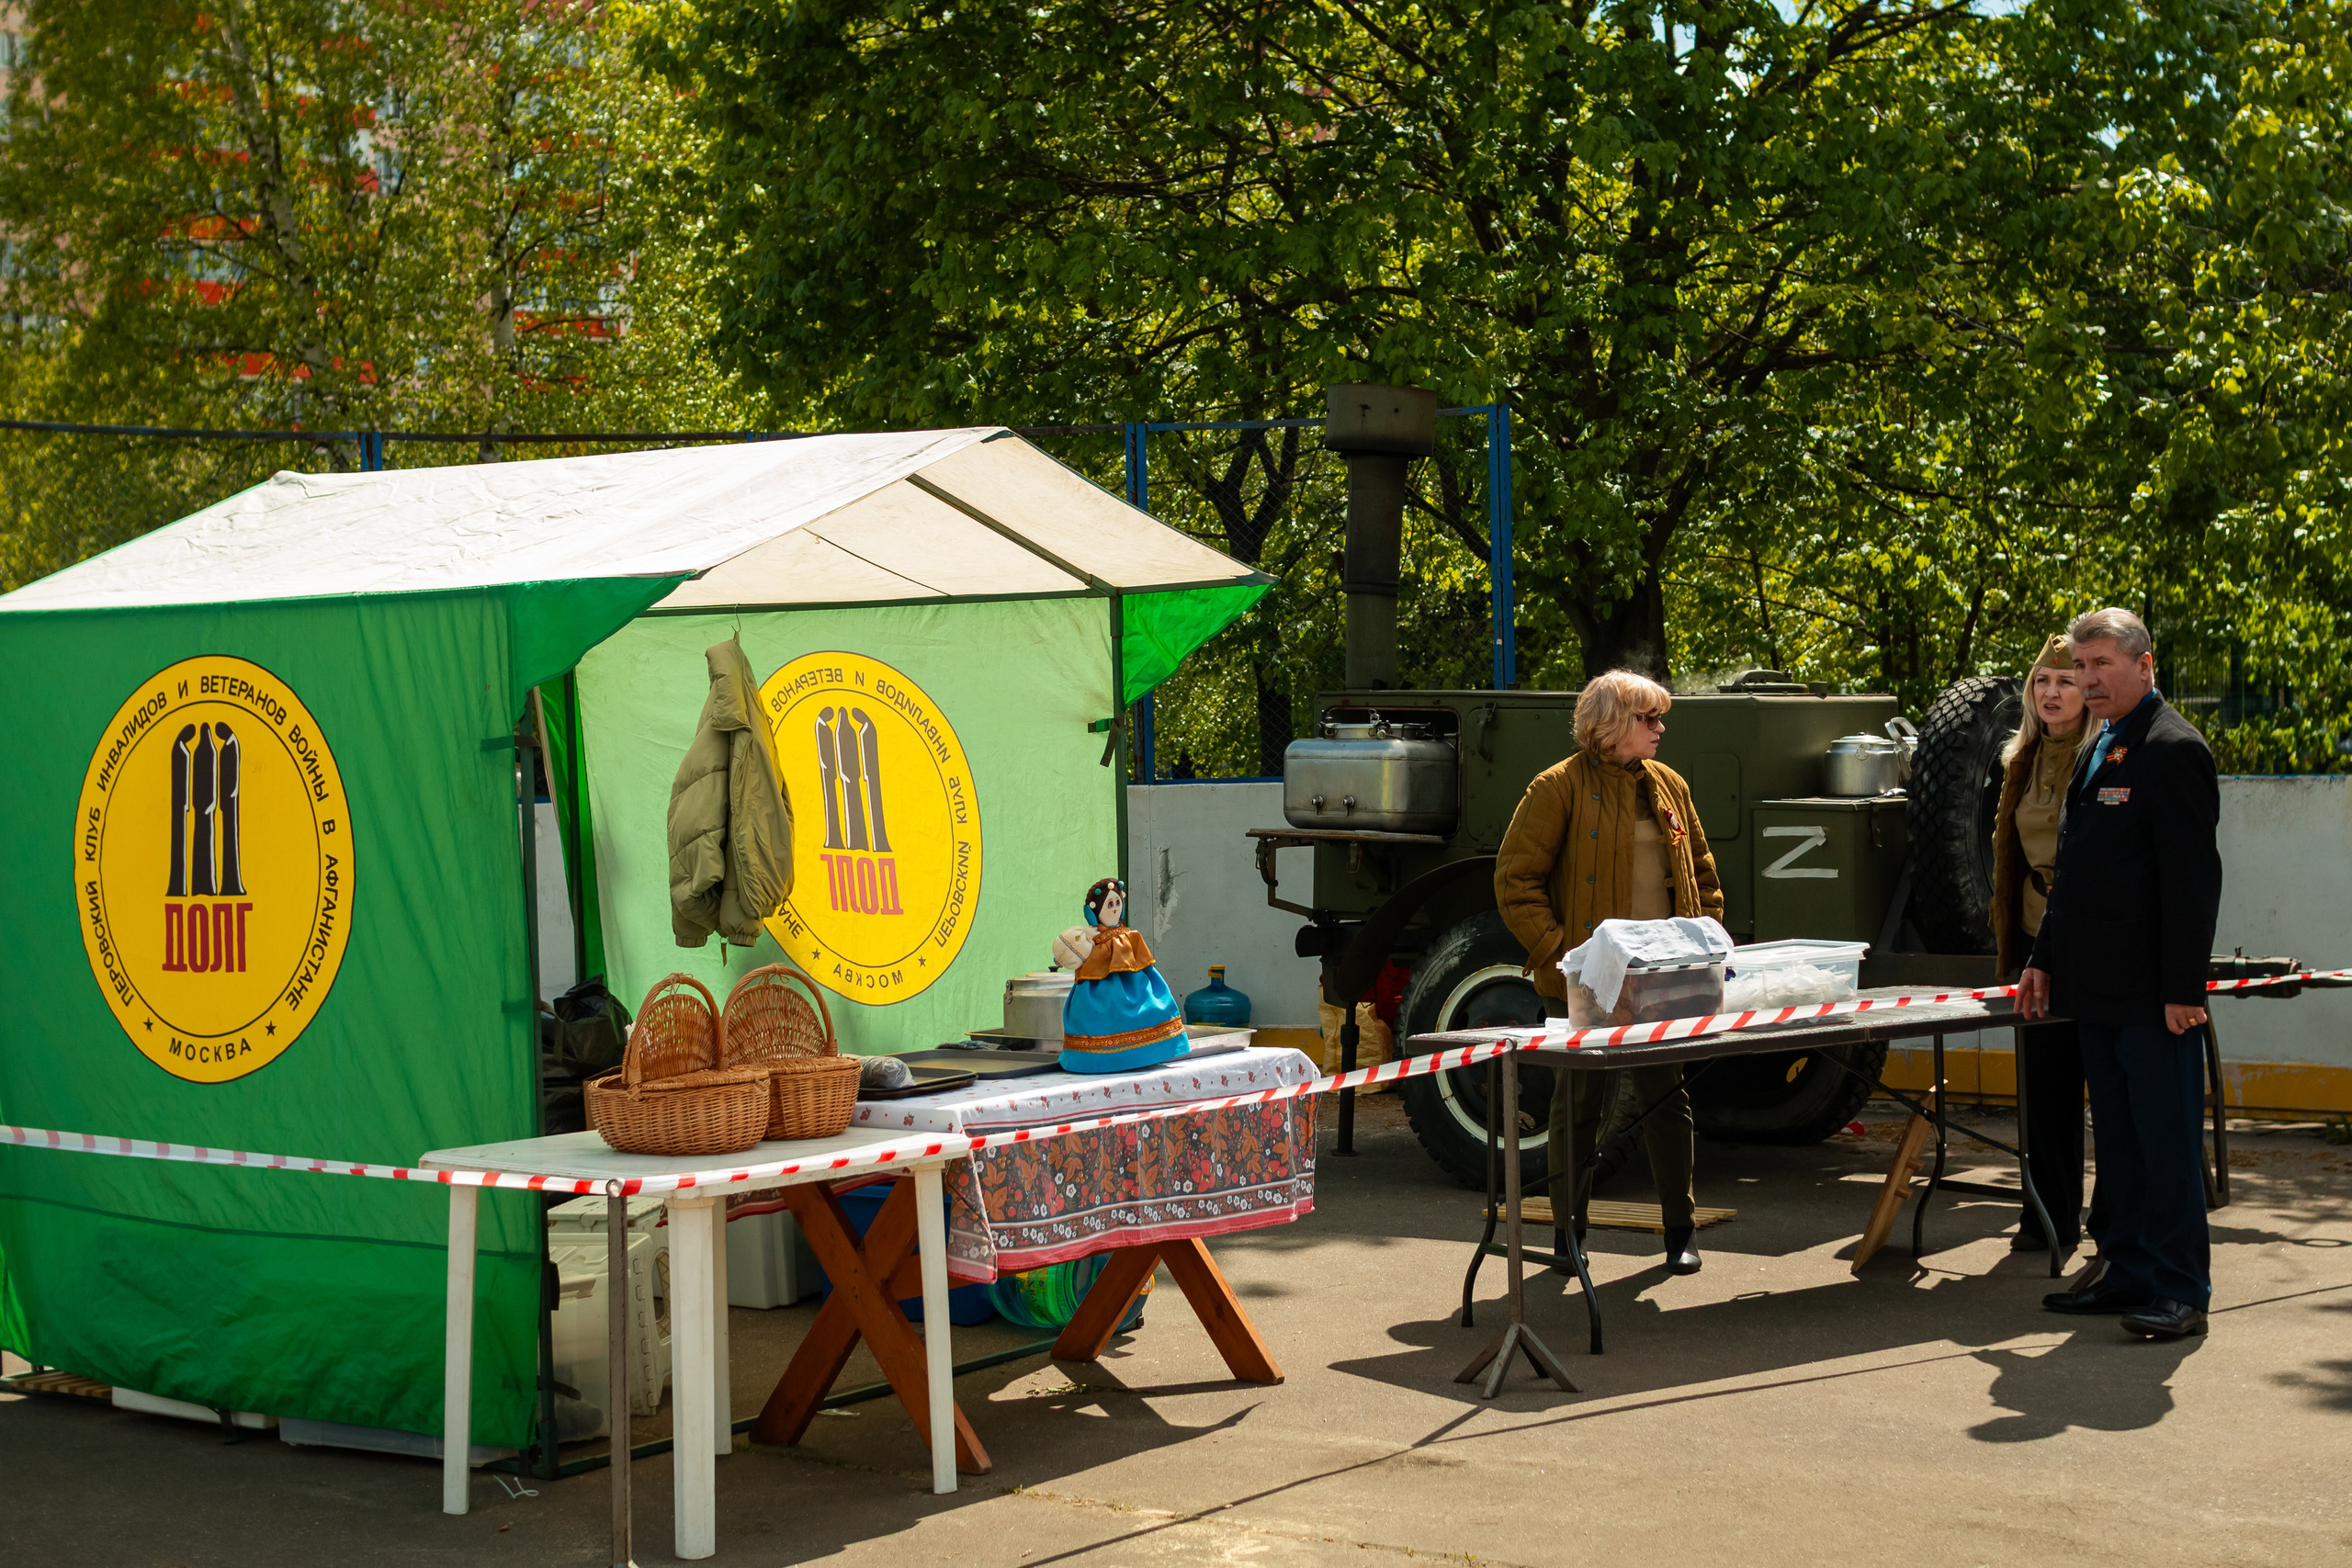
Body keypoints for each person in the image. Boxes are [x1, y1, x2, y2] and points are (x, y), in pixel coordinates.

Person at [2019, 607, 2222, 1340]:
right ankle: (2129, 1271)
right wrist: (2043, 959)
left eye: (2101, 663)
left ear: (2145, 664)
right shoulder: (2101, 744)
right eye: (2081, 664)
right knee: (2124, 1146)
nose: (2087, 678)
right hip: (2093, 989)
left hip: (2150, 996)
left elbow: (2193, 883)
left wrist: (2183, 991)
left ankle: (2180, 1290)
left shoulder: (2174, 749)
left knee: (2166, 1145)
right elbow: (2073, 872)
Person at [1496, 668, 1724, 1276]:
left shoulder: (1668, 785)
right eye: (1648, 718)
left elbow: (1701, 873)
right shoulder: (1556, 787)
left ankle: (1680, 1232)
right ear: (1612, 724)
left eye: (1659, 717)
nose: (1660, 728)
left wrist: (1704, 943)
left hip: (1663, 978)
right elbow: (1514, 881)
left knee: (1668, 1100)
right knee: (1578, 1105)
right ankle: (1569, 1235)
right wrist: (1565, 954)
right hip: (1590, 983)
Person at [1989, 634, 2098, 1256]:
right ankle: (2048, 1216)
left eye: (2066, 679)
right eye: (2042, 681)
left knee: (2103, 1087)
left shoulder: (2103, 752)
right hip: (2034, 933)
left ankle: (2112, 1220)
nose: (2053, 692)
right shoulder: (2020, 758)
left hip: (2088, 935)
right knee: (2043, 1087)